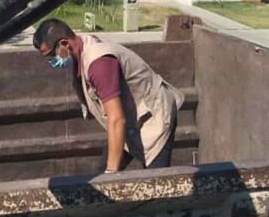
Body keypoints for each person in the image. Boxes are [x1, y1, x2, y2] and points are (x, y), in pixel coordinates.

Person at [33, 19, 183, 173]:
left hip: (154, 117)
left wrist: (111, 175)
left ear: (64, 44)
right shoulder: (82, 48)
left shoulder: (98, 63)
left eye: (51, 55)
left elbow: (117, 120)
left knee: (155, 184)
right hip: (131, 121)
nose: (51, 61)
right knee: (101, 178)